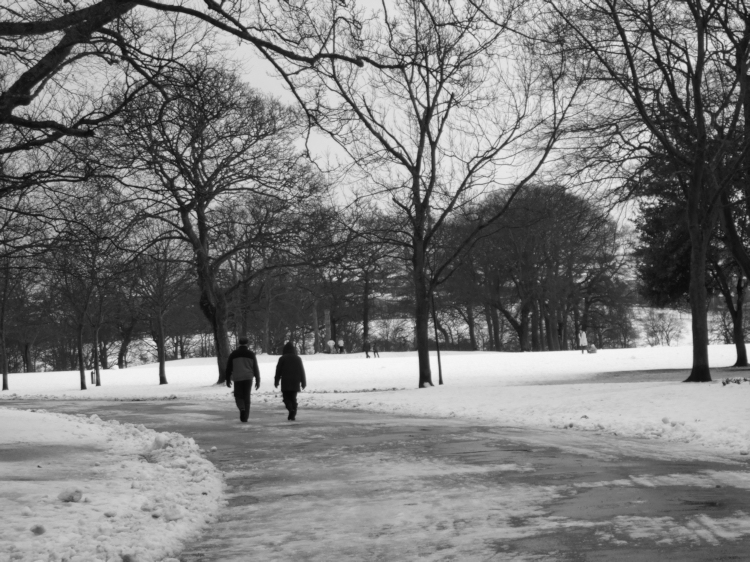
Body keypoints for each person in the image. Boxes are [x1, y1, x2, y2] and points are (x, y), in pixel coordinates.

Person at [225, 336, 260, 422]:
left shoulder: (233, 354)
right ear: (247, 343)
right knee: (247, 396)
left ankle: (242, 408)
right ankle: (245, 417)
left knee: (238, 396)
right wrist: (258, 380)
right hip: (248, 378)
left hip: (237, 377)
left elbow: (228, 368)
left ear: (239, 343)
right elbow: (255, 367)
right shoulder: (251, 354)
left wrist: (228, 379)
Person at [274, 341, 306, 421]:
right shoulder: (298, 358)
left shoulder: (282, 358)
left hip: (286, 380)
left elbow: (278, 371)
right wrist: (303, 381)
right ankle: (293, 413)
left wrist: (276, 380)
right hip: (296, 380)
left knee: (286, 398)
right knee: (293, 398)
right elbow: (302, 370)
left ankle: (291, 409)